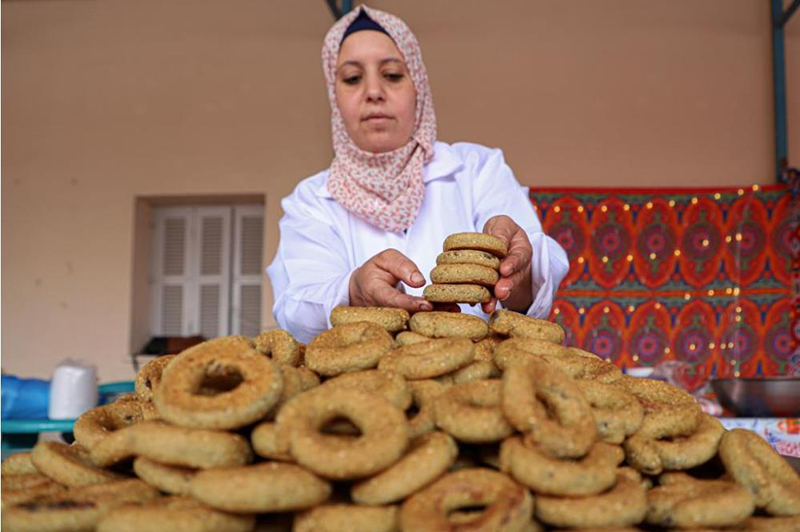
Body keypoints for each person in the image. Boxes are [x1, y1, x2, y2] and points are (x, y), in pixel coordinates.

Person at [267, 6, 569, 344]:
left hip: (477, 386)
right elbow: (296, 309)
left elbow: (535, 275)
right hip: (365, 393)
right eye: (352, 78)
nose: (373, 91)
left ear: (418, 87)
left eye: (393, 74)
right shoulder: (311, 200)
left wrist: (517, 272)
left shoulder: (477, 169)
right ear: (334, 96)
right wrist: (352, 289)